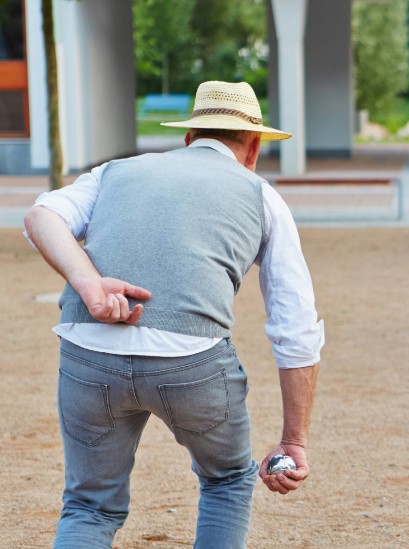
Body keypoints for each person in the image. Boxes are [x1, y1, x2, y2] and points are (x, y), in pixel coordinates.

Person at [23, 81, 324, 548]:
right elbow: (295, 325)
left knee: (88, 507)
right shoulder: (261, 196)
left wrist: (88, 283)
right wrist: (294, 441)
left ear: (188, 138)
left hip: (88, 349)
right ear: (254, 148)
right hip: (192, 359)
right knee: (227, 480)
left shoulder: (114, 171)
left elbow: (41, 217)